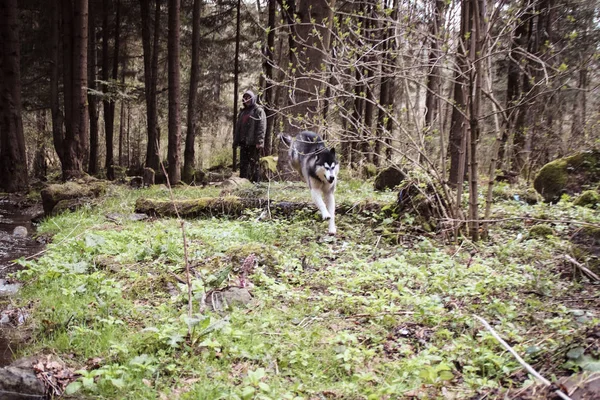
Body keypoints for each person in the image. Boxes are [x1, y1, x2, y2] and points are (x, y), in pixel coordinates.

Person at [233, 90, 266, 182]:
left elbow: (261, 127)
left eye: (248, 98)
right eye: (245, 98)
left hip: (253, 143)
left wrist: (259, 141)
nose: (246, 100)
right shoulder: (242, 112)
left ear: (252, 98)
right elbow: (238, 129)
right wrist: (236, 142)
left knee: (254, 164)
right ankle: (243, 183)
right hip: (243, 143)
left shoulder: (258, 111)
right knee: (243, 165)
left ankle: (256, 184)